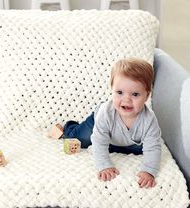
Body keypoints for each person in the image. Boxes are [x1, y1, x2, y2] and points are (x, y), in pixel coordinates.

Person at [63, 58, 161, 188]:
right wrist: (104, 165)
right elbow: (98, 141)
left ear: (147, 96)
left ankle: (114, 145)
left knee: (140, 149)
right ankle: (69, 127)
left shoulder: (149, 120)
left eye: (135, 94)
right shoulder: (106, 113)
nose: (126, 99)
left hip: (123, 138)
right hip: (98, 124)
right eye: (119, 92)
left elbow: (153, 148)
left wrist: (148, 171)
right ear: (112, 89)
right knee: (82, 139)